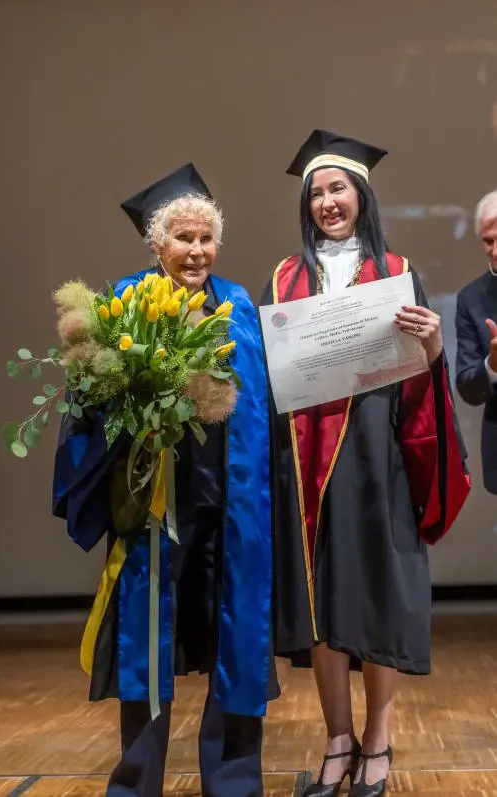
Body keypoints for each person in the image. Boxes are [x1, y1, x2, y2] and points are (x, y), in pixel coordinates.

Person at [53, 164, 276, 797]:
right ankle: (136, 782)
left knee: (239, 638)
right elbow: (88, 402)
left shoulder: (239, 310)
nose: (197, 251)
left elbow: (266, 405)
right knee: (146, 643)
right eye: (184, 238)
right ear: (157, 246)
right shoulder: (123, 306)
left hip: (233, 507)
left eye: (206, 239)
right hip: (158, 506)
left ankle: (233, 782)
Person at [261, 131, 470, 797]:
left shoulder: (398, 271)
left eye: (338, 188)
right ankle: (337, 738)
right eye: (317, 192)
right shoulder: (284, 279)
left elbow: (422, 382)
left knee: (377, 595)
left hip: (380, 459)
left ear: (362, 196)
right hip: (309, 465)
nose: (327, 201)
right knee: (322, 602)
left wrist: (435, 348)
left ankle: (377, 738)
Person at [455, 190, 497, 494]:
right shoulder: (471, 299)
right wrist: (492, 366)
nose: (494, 251)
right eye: (488, 241)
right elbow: (468, 386)